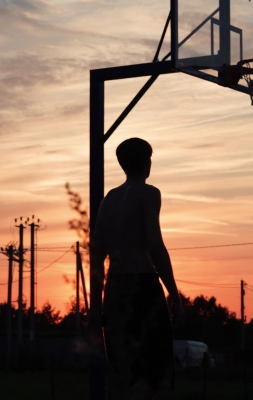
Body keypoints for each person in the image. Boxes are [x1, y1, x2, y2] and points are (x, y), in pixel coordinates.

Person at [90, 137, 185, 400]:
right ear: (147, 162)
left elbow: (97, 256)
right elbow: (155, 246)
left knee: (125, 374)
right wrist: (175, 297)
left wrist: (95, 308)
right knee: (154, 376)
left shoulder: (108, 200)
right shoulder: (149, 193)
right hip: (143, 287)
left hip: (115, 290)